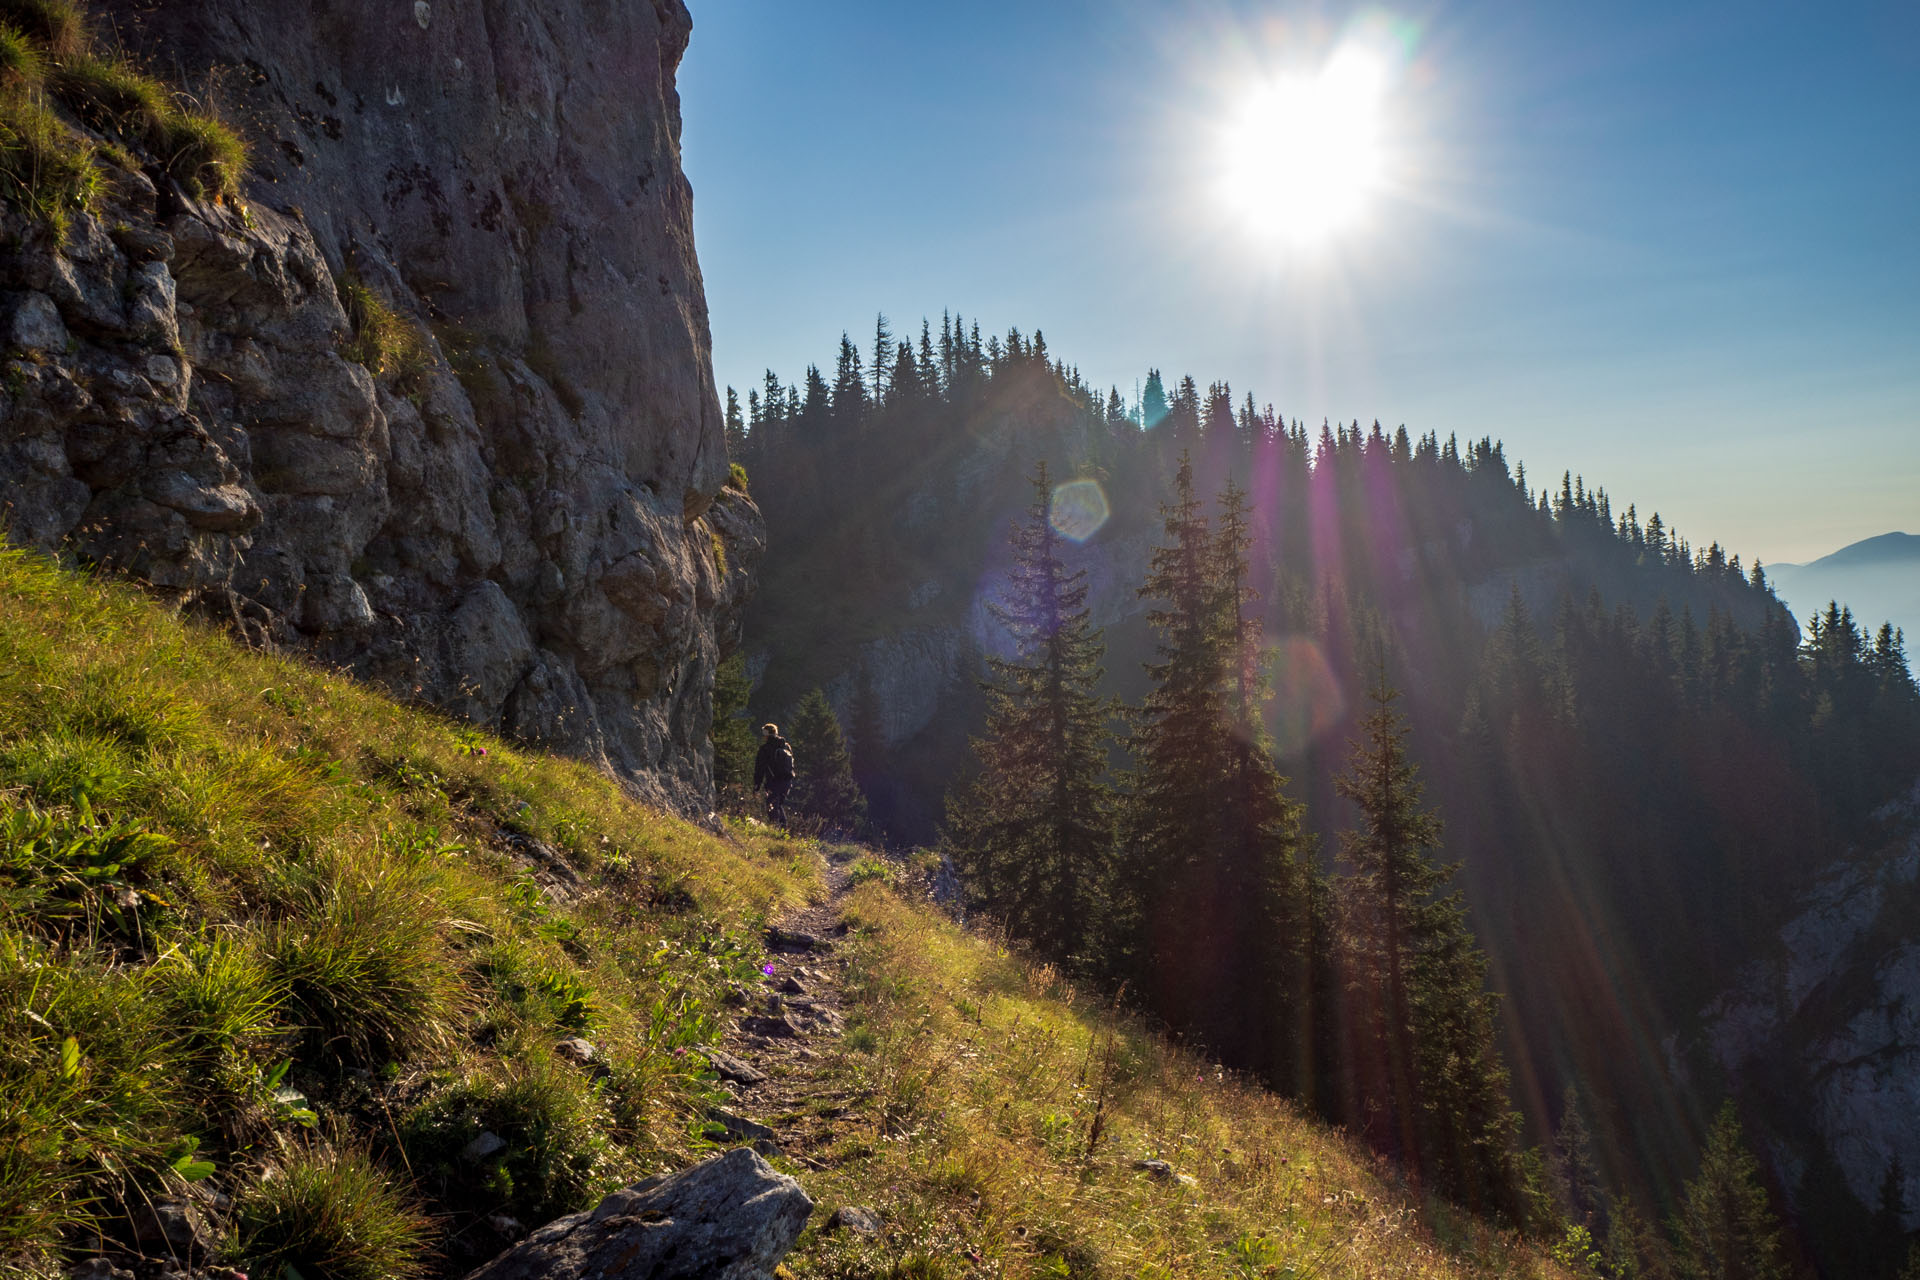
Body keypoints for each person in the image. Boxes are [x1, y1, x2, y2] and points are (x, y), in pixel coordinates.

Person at [752, 722, 795, 826]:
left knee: (772, 805)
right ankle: (783, 830)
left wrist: (757, 785)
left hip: (774, 781)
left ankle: (776, 830)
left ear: (766, 734)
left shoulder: (765, 749)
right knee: (778, 804)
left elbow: (760, 768)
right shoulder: (786, 746)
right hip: (787, 781)